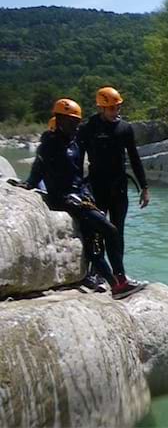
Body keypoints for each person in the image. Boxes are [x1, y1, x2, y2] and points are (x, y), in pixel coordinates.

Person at [23, 98, 147, 299]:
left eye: (76, 122)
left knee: (93, 240)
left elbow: (77, 173)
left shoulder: (73, 142)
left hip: (80, 194)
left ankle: (114, 284)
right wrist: (28, 186)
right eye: (71, 122)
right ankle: (118, 282)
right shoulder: (49, 144)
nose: (75, 126)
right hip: (66, 198)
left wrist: (85, 190)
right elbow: (37, 171)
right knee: (110, 230)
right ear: (60, 120)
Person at [77, 86, 150, 259]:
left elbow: (134, 158)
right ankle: (98, 272)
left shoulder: (125, 128)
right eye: (111, 107)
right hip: (96, 187)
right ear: (100, 107)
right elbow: (78, 159)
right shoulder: (88, 128)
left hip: (119, 188)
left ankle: (119, 274)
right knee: (98, 231)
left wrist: (144, 187)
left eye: (118, 107)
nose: (116, 110)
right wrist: (78, 187)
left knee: (118, 231)